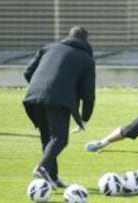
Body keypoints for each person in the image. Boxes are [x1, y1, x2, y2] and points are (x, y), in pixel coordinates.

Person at [23, 26, 95, 188]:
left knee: (47, 138)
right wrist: (85, 117)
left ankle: (52, 177)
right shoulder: (86, 60)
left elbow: (28, 72)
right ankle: (42, 168)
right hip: (58, 100)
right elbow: (88, 93)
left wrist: (39, 87)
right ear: (86, 41)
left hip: (33, 97)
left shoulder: (48, 48)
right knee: (60, 138)